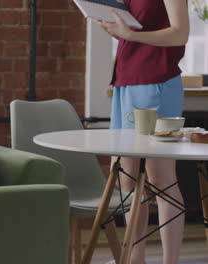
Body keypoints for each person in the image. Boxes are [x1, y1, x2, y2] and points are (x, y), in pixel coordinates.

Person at [95, 1, 189, 264]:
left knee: (162, 181)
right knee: (126, 180)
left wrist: (130, 35)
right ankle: (135, 259)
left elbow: (180, 33)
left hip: (156, 83)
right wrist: (117, 30)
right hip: (126, 82)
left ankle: (171, 261)